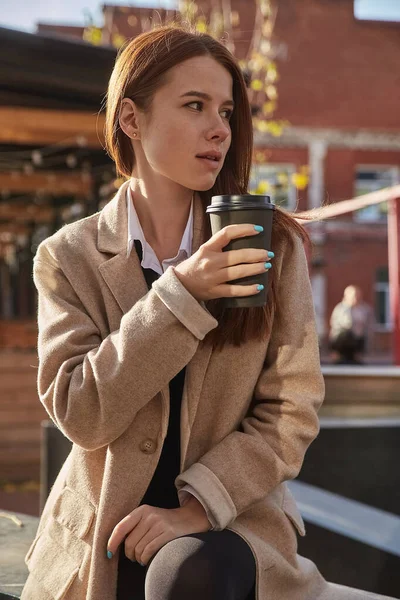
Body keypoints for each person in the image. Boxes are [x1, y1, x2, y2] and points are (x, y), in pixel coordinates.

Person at [22, 25, 396, 600]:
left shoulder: (272, 244)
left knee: (189, 575)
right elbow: (81, 412)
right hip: (101, 536)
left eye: (225, 110)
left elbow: (291, 410)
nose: (219, 128)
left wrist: (197, 506)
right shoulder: (67, 258)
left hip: (227, 527)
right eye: (194, 105)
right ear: (131, 119)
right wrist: (181, 295)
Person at [329, 285, 375, 365]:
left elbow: (369, 326)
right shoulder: (340, 309)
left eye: (357, 295)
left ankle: (356, 356)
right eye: (353, 296)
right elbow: (336, 326)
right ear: (346, 296)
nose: (356, 298)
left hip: (357, 340)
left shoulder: (364, 309)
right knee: (345, 333)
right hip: (342, 340)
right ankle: (338, 356)